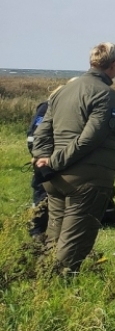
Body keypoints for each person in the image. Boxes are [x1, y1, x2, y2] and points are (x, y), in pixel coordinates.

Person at [31, 42, 115, 273]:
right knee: (75, 239)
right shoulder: (105, 94)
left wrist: (43, 158)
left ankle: (39, 281)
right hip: (87, 179)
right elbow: (90, 138)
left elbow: (42, 131)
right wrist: (54, 161)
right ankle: (57, 288)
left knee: (54, 236)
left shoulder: (63, 90)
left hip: (55, 179)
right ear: (113, 65)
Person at [27, 96, 53, 238]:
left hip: (57, 159)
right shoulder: (46, 107)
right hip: (43, 161)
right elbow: (33, 137)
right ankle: (36, 229)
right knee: (41, 194)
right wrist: (38, 157)